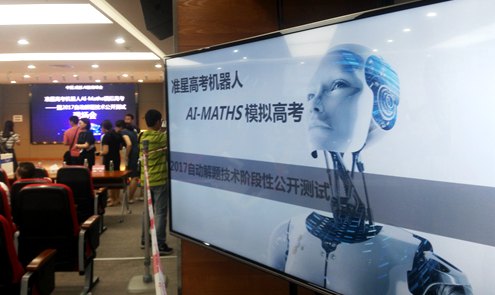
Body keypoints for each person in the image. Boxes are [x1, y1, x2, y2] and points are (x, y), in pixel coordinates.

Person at [267, 44, 471, 295]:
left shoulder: (409, 252)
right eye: (310, 95)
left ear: (381, 102)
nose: (314, 105)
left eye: (338, 84)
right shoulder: (287, 234)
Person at [139, 109, 172, 255]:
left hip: (146, 180)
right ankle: (159, 243)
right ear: (158, 121)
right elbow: (170, 138)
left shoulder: (142, 136)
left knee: (147, 211)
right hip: (159, 180)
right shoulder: (161, 139)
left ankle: (145, 240)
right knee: (160, 213)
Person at [98, 120, 122, 206]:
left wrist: (98, 153)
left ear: (104, 128)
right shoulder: (117, 135)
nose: (101, 129)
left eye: (101, 128)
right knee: (116, 178)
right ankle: (117, 198)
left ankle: (112, 199)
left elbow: (105, 151)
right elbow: (120, 147)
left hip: (109, 160)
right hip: (117, 158)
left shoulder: (106, 137)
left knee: (110, 180)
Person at [115, 119, 139, 203]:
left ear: (119, 127)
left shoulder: (123, 132)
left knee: (133, 176)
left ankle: (130, 198)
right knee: (135, 175)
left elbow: (129, 144)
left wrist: (126, 156)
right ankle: (131, 197)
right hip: (137, 152)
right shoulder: (132, 131)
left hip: (133, 154)